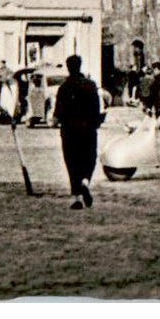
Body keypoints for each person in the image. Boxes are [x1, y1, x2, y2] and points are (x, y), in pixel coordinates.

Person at [53, 55, 104, 210]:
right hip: (88, 129)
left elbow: (57, 113)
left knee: (72, 162)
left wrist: (57, 121)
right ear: (80, 66)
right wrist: (95, 123)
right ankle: (85, 181)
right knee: (89, 158)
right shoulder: (90, 85)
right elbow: (97, 108)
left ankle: (77, 198)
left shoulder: (64, 87)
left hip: (69, 130)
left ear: (68, 67)